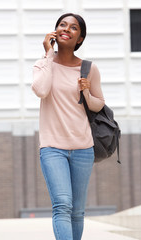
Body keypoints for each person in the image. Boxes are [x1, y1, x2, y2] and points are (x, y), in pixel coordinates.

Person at [32, 13, 105, 240]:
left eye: (73, 28)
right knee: (62, 205)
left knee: (77, 211)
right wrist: (48, 54)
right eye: (62, 25)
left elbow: (97, 105)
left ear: (80, 38)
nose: (66, 29)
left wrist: (85, 90)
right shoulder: (43, 64)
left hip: (83, 147)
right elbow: (41, 90)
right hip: (52, 147)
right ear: (55, 32)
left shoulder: (88, 68)